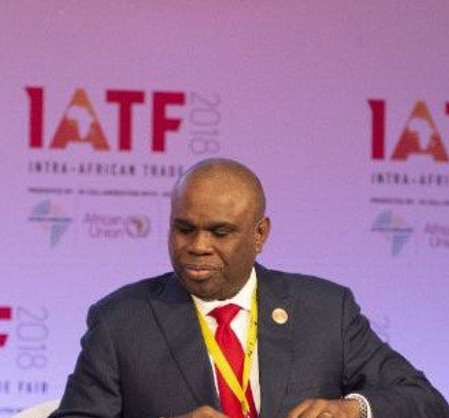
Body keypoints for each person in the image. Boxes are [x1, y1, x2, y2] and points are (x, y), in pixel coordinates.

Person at [51, 158, 449, 418]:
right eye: (183, 228)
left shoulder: (326, 311)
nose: (198, 245)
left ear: (260, 234)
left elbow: (426, 402)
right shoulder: (121, 321)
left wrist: (354, 409)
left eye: (220, 232)